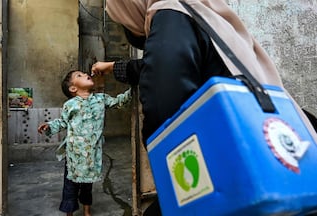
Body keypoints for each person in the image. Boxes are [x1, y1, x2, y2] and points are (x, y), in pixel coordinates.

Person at [92, 0, 317, 215]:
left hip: (235, 172)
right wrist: (116, 67)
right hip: (281, 160)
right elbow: (161, 66)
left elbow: (166, 118)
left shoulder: (170, 15)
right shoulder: (207, 13)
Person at [38, 70, 132, 216]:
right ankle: (70, 212)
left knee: (87, 185)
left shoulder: (101, 99)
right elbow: (62, 122)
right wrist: (49, 126)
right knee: (71, 186)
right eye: (79, 76)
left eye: (84, 73)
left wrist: (134, 89)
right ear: (73, 88)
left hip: (91, 154)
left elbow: (118, 102)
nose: (85, 74)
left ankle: (87, 211)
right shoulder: (70, 105)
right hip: (74, 154)